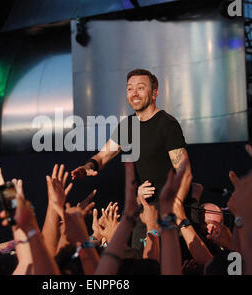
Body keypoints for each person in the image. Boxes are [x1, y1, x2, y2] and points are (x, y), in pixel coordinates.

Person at [71, 69, 193, 251]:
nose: (134, 93)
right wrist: (88, 166)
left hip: (170, 214)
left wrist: (177, 205)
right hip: (146, 211)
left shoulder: (166, 124)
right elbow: (103, 156)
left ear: (154, 93)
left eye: (140, 88)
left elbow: (185, 173)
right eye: (130, 89)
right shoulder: (128, 125)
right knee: (140, 265)